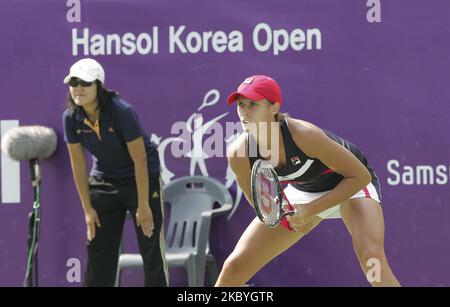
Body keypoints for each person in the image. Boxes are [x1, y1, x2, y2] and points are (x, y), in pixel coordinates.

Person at [215, 75, 400, 287]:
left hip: (350, 183)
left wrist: (312, 210)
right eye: (240, 105)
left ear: (274, 108)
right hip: (305, 190)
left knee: (372, 261)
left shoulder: (304, 135)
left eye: (253, 104)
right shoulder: (239, 153)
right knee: (234, 267)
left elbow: (360, 176)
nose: (244, 112)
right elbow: (259, 201)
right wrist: (283, 217)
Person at [62, 58, 168, 287]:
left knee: (151, 246)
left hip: (141, 177)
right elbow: (78, 165)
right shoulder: (71, 117)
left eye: (85, 82)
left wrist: (142, 205)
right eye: (73, 82)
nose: (78, 88)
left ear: (98, 86)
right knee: (99, 249)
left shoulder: (122, 112)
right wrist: (88, 210)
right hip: (103, 180)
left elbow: (139, 160)